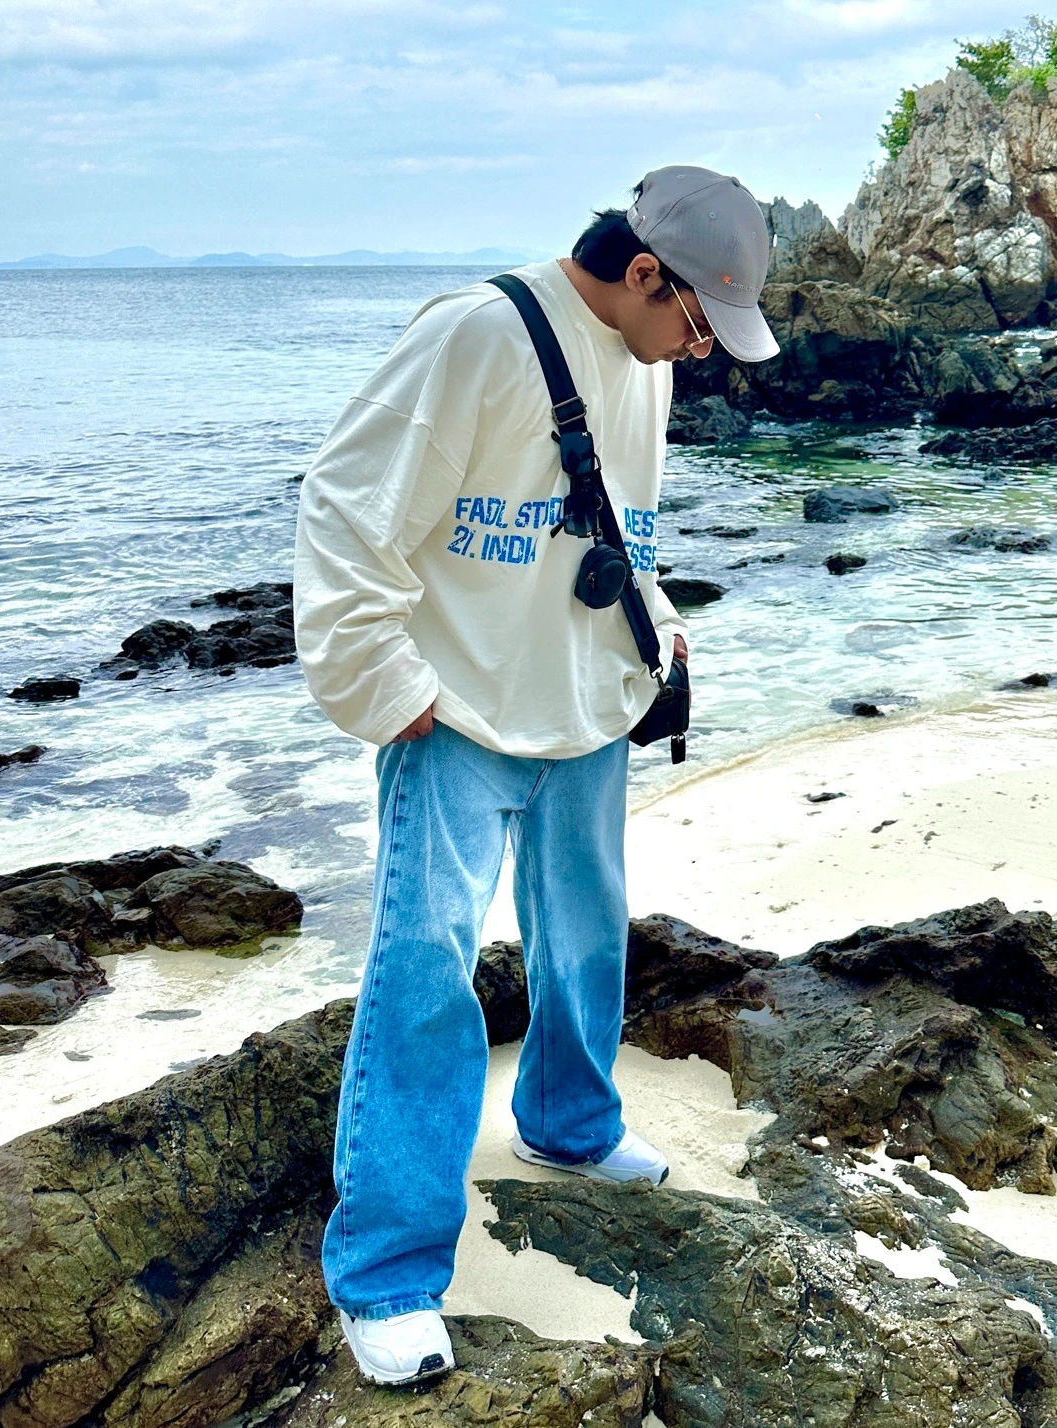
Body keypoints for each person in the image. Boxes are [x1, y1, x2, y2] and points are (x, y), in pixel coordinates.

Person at [292, 164, 780, 1389]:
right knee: (424, 971)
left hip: (584, 699)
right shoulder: (475, 333)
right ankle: (387, 1273)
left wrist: (658, 627)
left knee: (587, 934)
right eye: (697, 322)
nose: (701, 353)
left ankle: (569, 1127)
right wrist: (384, 686)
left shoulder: (647, 362)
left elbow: (621, 522)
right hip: (454, 711)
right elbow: (346, 509)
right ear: (642, 271)